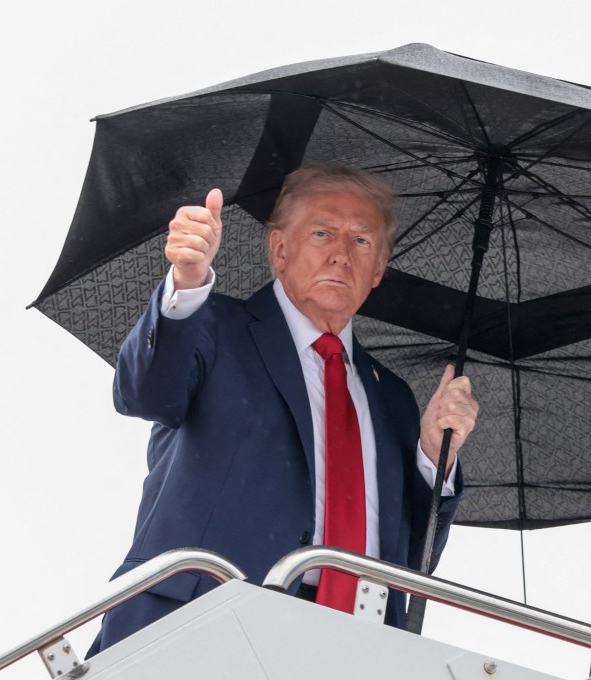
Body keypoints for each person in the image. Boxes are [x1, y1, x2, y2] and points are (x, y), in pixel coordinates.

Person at [89, 164, 479, 654]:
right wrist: (187, 281)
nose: (341, 254)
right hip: (204, 625)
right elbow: (144, 393)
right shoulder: (213, 326)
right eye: (322, 233)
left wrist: (435, 456)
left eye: (361, 241)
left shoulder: (394, 398)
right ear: (279, 249)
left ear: (379, 269)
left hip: (351, 651)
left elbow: (413, 562)